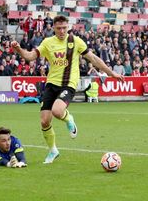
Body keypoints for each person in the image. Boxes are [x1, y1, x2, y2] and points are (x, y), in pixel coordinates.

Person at [11, 15, 124, 164]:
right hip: (51, 84)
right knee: (45, 121)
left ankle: (68, 118)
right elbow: (31, 56)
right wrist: (18, 49)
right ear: (53, 28)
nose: (62, 31)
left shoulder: (75, 41)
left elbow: (94, 59)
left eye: (64, 28)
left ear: (68, 27)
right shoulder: (47, 42)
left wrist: (112, 73)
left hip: (68, 83)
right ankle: (53, 150)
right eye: (59, 28)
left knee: (57, 111)